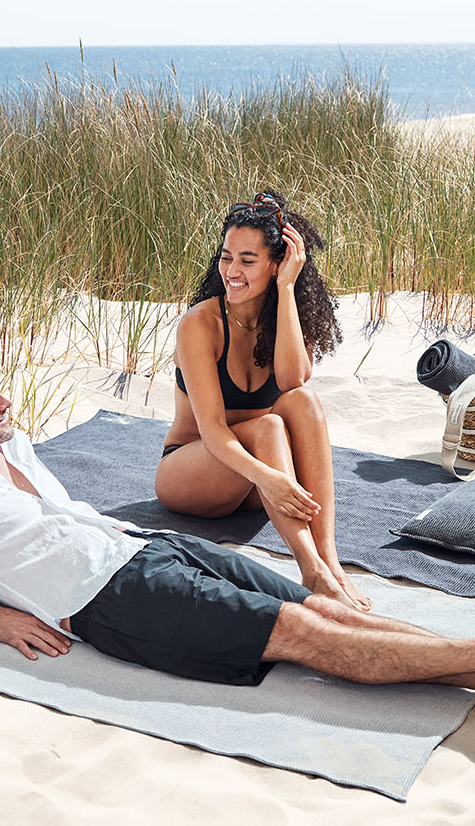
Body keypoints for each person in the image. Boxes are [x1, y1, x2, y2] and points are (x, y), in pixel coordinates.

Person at [0, 351, 475, 716]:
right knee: (303, 634)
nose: (7, 403)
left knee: (324, 608)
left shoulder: (13, 447)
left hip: (143, 546)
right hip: (110, 600)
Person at [155, 190, 371, 610]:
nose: (232, 271)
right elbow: (213, 431)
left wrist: (286, 288)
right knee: (270, 425)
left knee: (303, 401)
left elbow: (293, 380)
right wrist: (269, 478)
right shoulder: (200, 324)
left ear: (277, 263)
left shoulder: (287, 315)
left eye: (248, 261)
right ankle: (311, 570)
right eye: (226, 257)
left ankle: (330, 560)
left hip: (258, 481)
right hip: (194, 471)